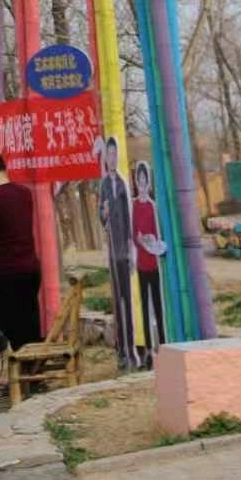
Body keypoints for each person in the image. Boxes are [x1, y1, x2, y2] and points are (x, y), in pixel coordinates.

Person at [0, 150, 42, 350]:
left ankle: (29, 368)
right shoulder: (23, 194)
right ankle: (33, 366)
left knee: (15, 332)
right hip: (29, 271)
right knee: (29, 329)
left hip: (4, 276)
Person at [96, 138, 135, 364]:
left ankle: (131, 347)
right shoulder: (103, 185)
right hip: (112, 250)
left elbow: (129, 217)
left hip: (124, 250)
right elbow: (101, 215)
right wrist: (104, 213)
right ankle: (121, 350)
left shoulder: (123, 183)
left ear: (117, 156)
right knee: (117, 300)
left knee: (127, 300)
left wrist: (130, 248)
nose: (111, 158)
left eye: (114, 154)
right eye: (108, 154)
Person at [130, 161, 168, 349]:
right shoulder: (133, 206)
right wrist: (139, 239)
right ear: (136, 181)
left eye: (144, 178)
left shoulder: (153, 206)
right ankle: (147, 346)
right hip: (141, 263)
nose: (142, 182)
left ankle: (163, 341)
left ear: (148, 181)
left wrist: (153, 241)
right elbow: (132, 233)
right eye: (139, 179)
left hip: (154, 261)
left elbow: (158, 233)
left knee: (158, 304)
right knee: (144, 306)